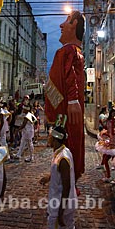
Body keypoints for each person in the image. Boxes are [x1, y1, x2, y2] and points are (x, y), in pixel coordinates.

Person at [45, 11, 86, 182]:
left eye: (66, 22)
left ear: (75, 24)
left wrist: (72, 100)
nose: (61, 26)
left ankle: (66, 178)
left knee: (65, 140)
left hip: (66, 110)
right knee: (65, 139)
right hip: (64, 110)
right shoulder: (71, 51)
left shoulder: (69, 50)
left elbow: (71, 77)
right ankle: (64, 175)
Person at [39, 125, 83, 229]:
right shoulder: (62, 152)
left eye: (50, 136)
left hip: (60, 203)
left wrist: (60, 211)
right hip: (66, 202)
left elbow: (66, 185)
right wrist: (49, 178)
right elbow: (61, 175)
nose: (48, 138)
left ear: (55, 139)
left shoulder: (63, 158)